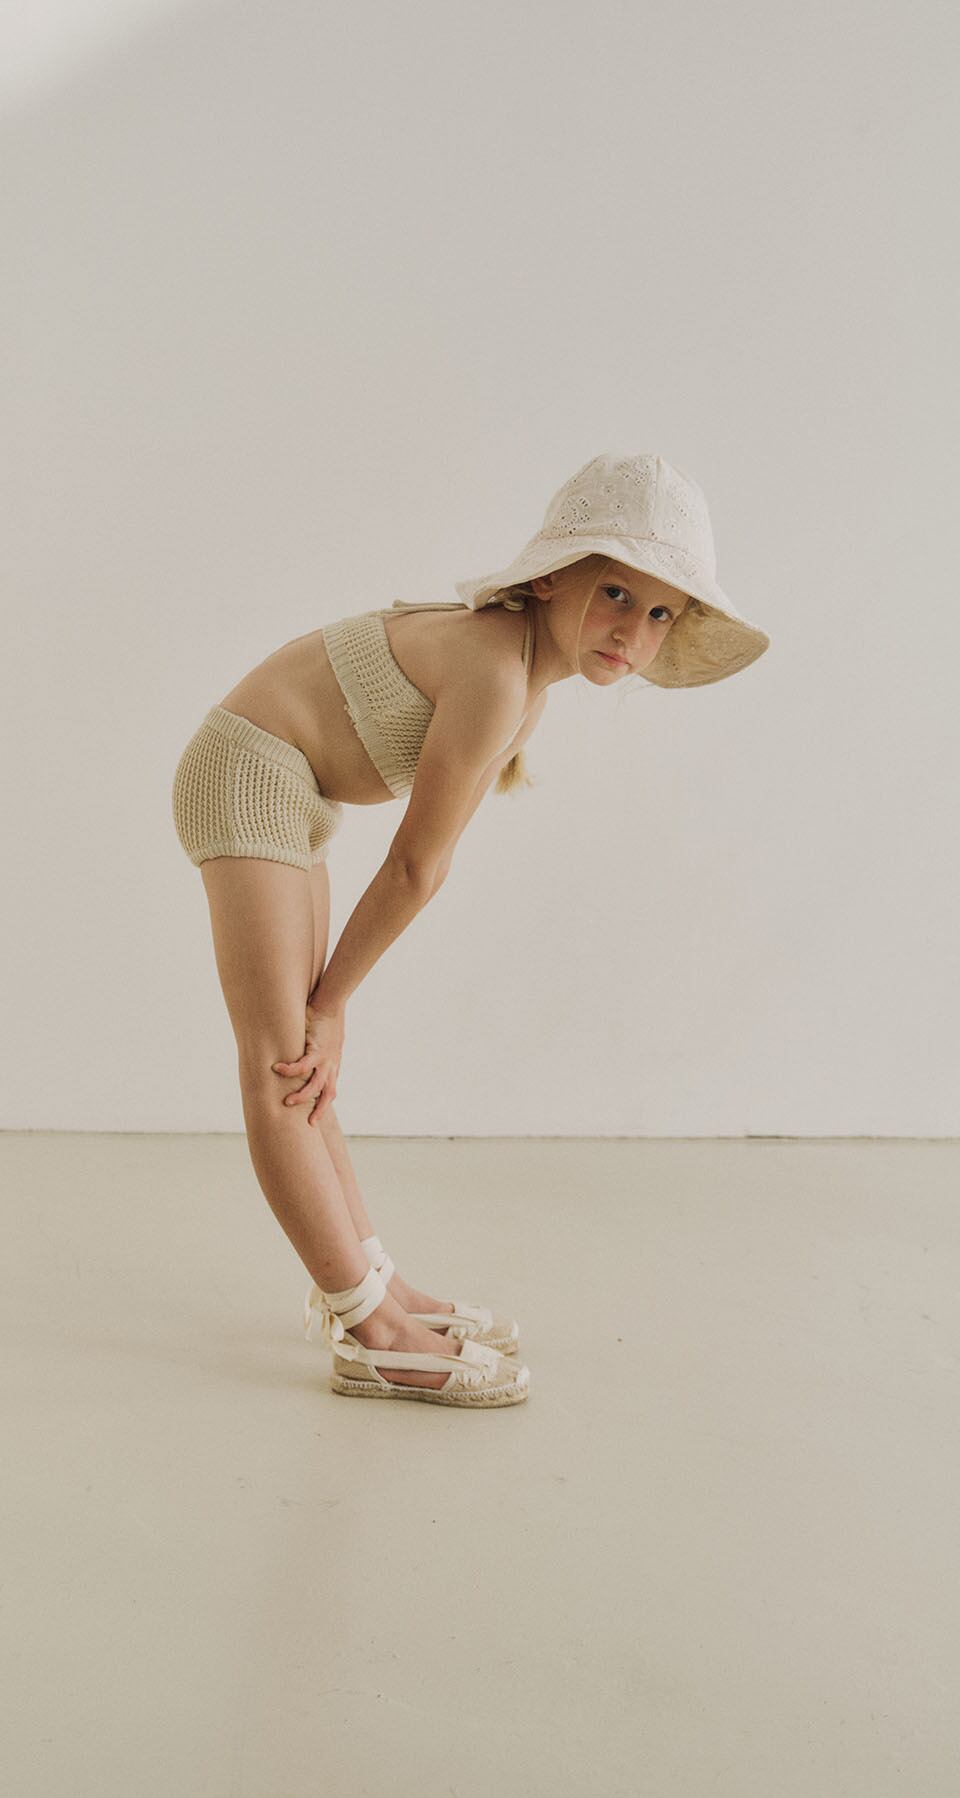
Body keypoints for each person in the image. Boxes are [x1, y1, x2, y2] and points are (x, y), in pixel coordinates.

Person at [170, 452, 769, 1408]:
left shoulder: (525, 684)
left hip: (294, 783)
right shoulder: (493, 671)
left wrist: (331, 1009)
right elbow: (416, 867)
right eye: (616, 593)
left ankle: (380, 1286)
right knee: (283, 1067)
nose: (634, 630)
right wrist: (331, 1005)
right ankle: (372, 1332)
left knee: (306, 1068)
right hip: (250, 771)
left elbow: (418, 862)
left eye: (661, 613)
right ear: (551, 578)